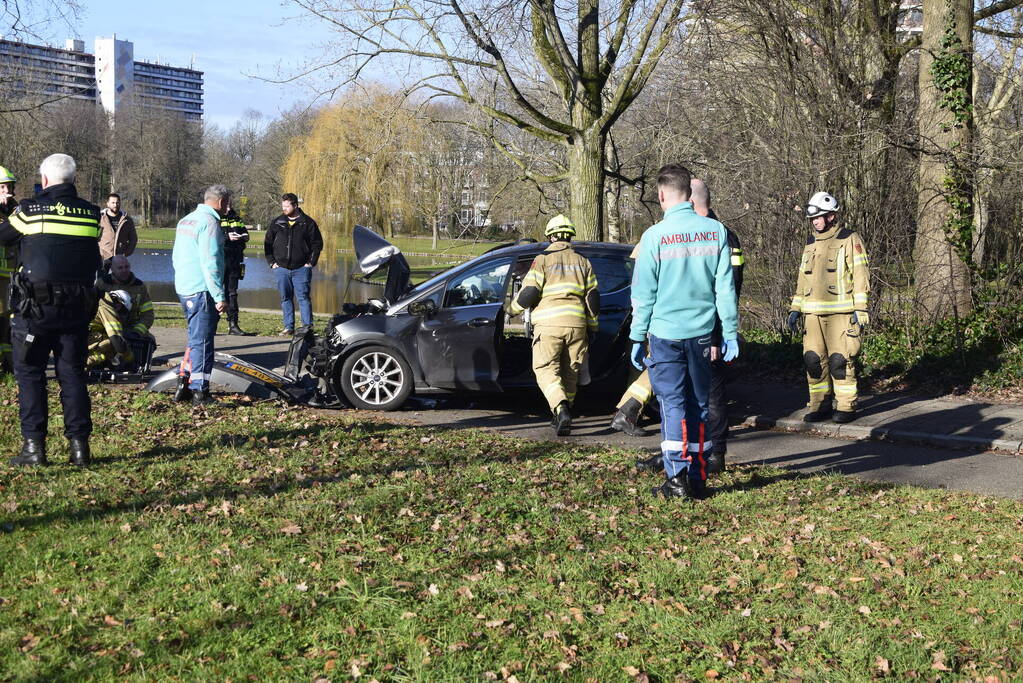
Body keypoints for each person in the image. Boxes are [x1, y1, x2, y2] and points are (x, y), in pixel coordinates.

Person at [617, 178, 745, 475]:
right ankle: (692, 468)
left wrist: (638, 336)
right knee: (696, 402)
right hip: (702, 332)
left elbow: (729, 288)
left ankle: (691, 465)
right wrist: (727, 331)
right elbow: (725, 290)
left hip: (686, 333)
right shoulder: (715, 233)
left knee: (687, 402)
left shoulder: (669, 234)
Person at [0, 154, 101, 467]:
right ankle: (80, 449)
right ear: (74, 179)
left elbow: (3, 238)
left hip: (35, 311)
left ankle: (34, 448)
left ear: (44, 180)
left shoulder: (30, 211)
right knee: (72, 375)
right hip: (76, 309)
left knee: (31, 374)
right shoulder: (91, 214)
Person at [509, 214, 599, 436]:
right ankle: (562, 415)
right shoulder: (583, 261)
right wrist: (592, 326)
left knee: (546, 368)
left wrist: (511, 310)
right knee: (570, 372)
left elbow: (529, 292)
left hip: (549, 325)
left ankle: (560, 408)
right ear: (570, 236)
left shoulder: (543, 259)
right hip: (577, 325)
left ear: (550, 237)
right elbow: (593, 299)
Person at [787, 191, 870, 424]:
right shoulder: (810, 243)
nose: (815, 222)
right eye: (813, 218)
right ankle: (819, 405)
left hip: (841, 315)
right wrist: (795, 308)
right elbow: (803, 278)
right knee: (813, 361)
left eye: (819, 217)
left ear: (831, 216)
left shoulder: (849, 239)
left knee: (840, 362)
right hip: (812, 314)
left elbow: (861, 273)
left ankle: (845, 406)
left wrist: (861, 308)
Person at [172, 185, 229, 406]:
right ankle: (200, 391)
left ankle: (184, 383)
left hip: (185, 287)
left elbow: (176, 257)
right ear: (221, 201)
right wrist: (219, 295)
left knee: (194, 339)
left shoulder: (186, 220)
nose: (228, 207)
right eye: (227, 203)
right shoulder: (210, 222)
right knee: (203, 342)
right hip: (202, 290)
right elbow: (210, 262)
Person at [265, 193, 323, 335]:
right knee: (285, 298)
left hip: (301, 268)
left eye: (287, 206)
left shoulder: (308, 223)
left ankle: (307, 328)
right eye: (282, 206)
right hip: (281, 268)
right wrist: (272, 262)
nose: (284, 209)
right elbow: (268, 243)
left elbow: (317, 244)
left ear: (295, 205)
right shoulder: (277, 222)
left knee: (303, 298)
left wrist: (311, 263)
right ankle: (288, 327)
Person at [88, 255, 156, 369]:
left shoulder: (139, 286)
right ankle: (101, 362)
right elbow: (93, 309)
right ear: (112, 269)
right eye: (120, 268)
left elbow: (148, 315)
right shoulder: (102, 284)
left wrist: (137, 332)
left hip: (130, 327)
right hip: (106, 327)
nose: (124, 270)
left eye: (126, 266)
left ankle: (134, 364)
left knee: (150, 340)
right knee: (108, 344)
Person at [219, 203, 251, 335]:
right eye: (225, 206)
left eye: (229, 206)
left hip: (234, 261)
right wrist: (227, 237)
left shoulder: (237, 219)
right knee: (215, 293)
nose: (227, 209)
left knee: (232, 293)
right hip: (219, 261)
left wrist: (242, 237)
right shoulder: (215, 218)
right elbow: (211, 237)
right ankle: (211, 324)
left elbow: (246, 235)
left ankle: (233, 324)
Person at [0, 165, 18, 372]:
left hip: (13, 277)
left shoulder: (17, 211)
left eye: (9, 186)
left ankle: (9, 365)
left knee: (8, 322)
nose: (7, 191)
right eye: (2, 187)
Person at [98, 193, 137, 270]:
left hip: (120, 258)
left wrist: (126, 253)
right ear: (107, 204)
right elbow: (94, 237)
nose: (115, 205)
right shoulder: (100, 218)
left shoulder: (127, 220)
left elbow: (133, 239)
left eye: (117, 202)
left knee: (121, 277)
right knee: (101, 277)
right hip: (103, 257)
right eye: (113, 202)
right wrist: (98, 252)